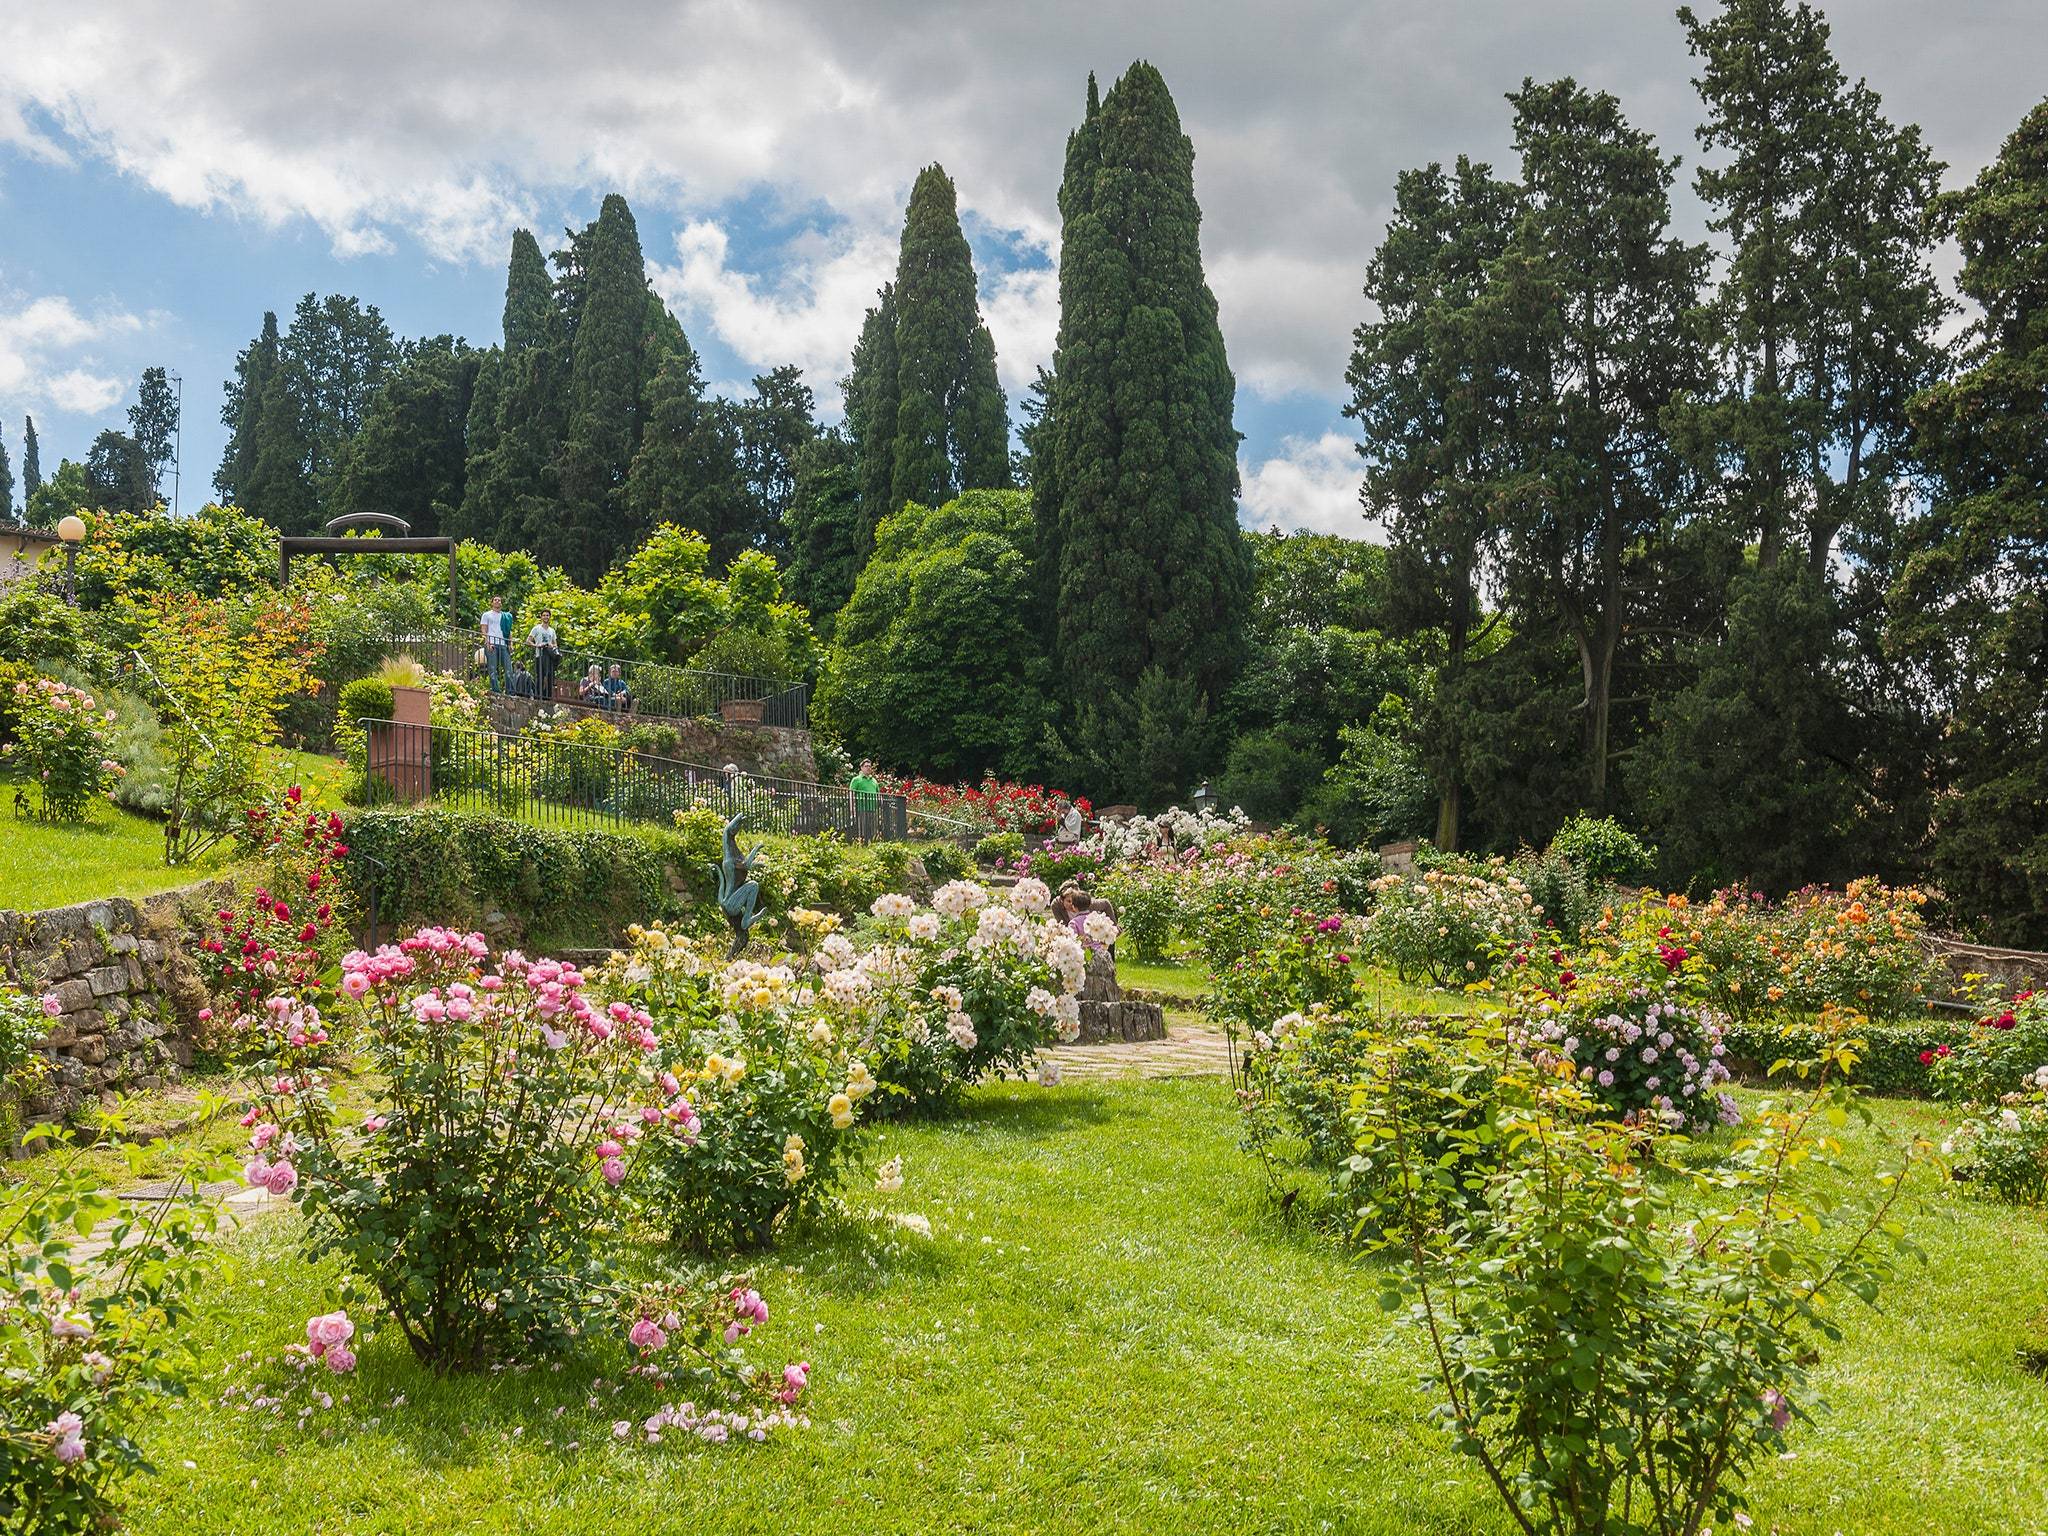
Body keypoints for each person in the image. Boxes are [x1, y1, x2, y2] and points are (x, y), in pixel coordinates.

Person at [480, 595, 512, 694]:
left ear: (501, 603)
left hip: (503, 644)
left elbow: (509, 631)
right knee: (493, 668)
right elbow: (484, 629)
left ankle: (510, 691)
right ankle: (495, 690)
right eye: (495, 600)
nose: (497, 601)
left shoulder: (505, 616)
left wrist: (510, 644)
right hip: (492, 643)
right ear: (492, 602)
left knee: (508, 669)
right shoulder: (486, 615)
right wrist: (487, 642)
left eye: (499, 600)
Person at [527, 608, 560, 700]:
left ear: (550, 617)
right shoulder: (536, 628)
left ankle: (548, 697)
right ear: (541, 617)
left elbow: (555, 644)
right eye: (544, 615)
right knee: (540, 676)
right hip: (540, 655)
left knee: (550, 676)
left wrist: (551, 645)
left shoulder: (552, 630)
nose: (546, 617)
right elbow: (528, 641)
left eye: (547, 615)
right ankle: (538, 696)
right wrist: (537, 645)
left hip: (549, 656)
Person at [848, 758, 880, 843]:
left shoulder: (874, 780)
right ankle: (862, 845)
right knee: (862, 829)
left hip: (873, 808)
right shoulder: (856, 780)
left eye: (870, 766)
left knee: (873, 829)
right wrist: (852, 808)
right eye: (866, 766)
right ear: (861, 768)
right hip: (861, 808)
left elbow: (878, 794)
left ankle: (872, 844)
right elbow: (851, 794)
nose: (868, 768)